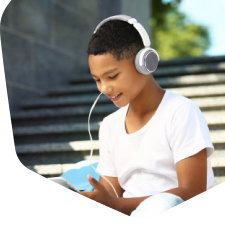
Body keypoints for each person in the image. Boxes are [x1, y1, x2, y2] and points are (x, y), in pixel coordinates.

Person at [77, 15, 214, 218]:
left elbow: (192, 193)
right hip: (129, 215)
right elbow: (109, 195)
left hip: (176, 214)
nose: (104, 88)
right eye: (97, 79)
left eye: (112, 76)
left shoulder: (181, 111)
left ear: (145, 63)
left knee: (160, 205)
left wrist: (116, 205)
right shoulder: (109, 125)